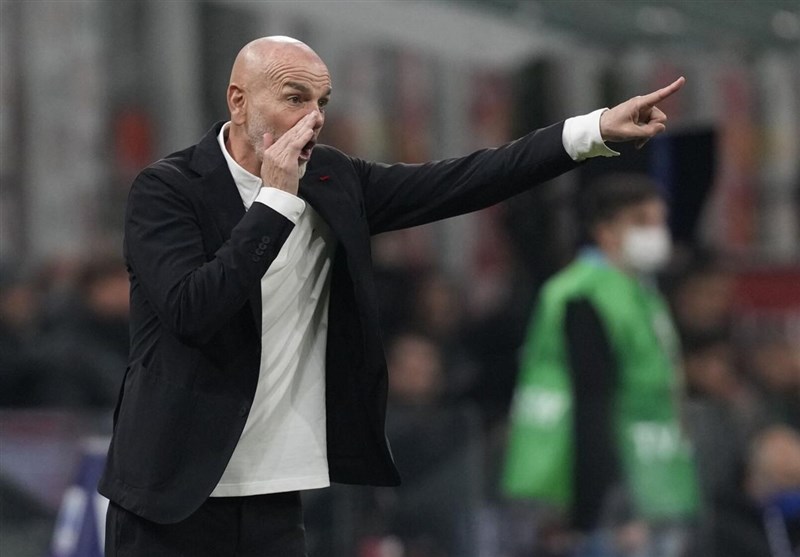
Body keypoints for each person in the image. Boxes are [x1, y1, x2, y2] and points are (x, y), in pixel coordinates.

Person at [98, 35, 685, 557]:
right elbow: (193, 310)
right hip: (170, 493)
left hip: (277, 495)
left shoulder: (333, 179)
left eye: (322, 102)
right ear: (238, 100)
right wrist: (274, 203)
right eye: (295, 98)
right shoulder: (167, 190)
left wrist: (590, 132)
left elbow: (466, 179)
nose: (314, 118)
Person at [503, 174, 699, 557]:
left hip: (645, 479)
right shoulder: (585, 294)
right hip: (594, 490)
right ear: (605, 231)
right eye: (641, 221)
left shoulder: (636, 291)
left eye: (659, 221)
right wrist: (594, 510)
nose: (656, 233)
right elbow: (590, 401)